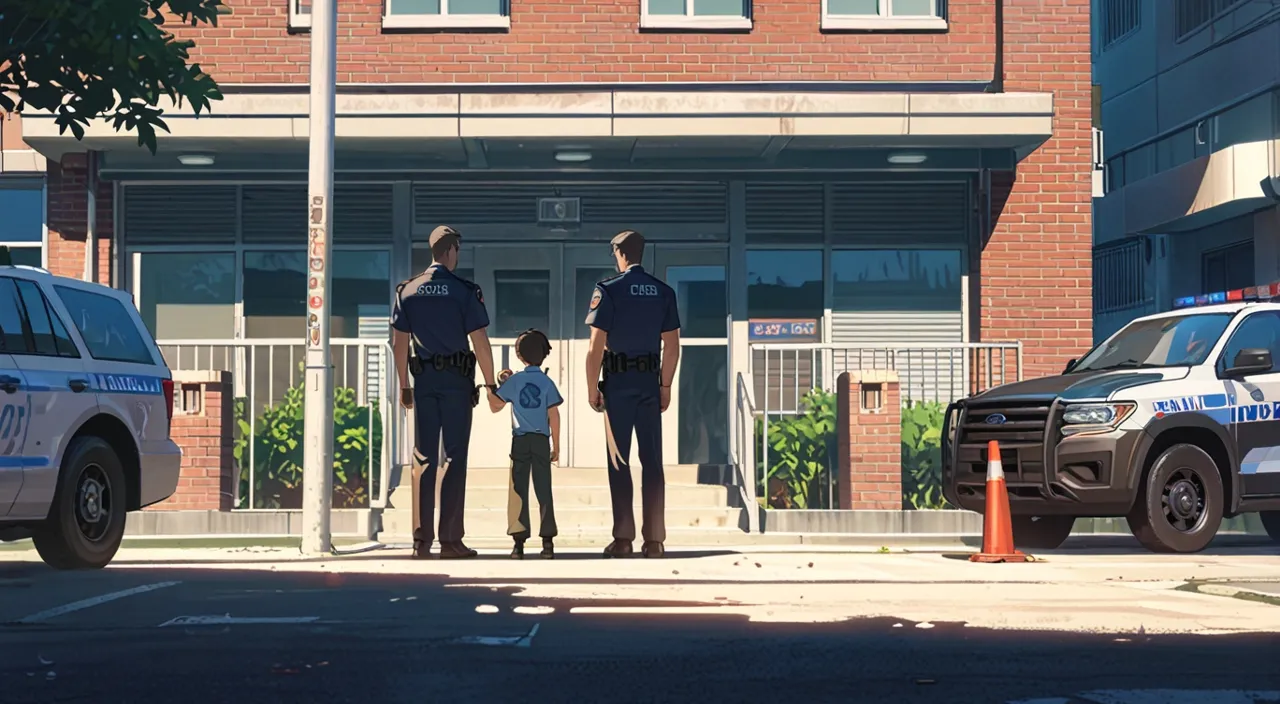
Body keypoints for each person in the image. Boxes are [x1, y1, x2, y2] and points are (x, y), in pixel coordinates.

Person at [392, 225, 499, 560]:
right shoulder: (464, 291)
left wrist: (404, 386)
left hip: (423, 382)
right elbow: (479, 341)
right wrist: (492, 384)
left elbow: (398, 344)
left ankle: (420, 542)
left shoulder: (407, 291)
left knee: (423, 457)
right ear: (452, 251)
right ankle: (451, 541)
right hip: (456, 382)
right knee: (454, 457)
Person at [583, 230, 681, 559]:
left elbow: (596, 346)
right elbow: (672, 346)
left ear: (620, 254)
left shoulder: (608, 290)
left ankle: (623, 539)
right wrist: (665, 385)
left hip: (618, 384)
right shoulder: (663, 292)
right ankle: (654, 541)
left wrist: (591, 387)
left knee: (619, 460)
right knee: (652, 461)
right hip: (648, 384)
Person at [490, 329, 562, 560]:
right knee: (544, 489)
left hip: (520, 440)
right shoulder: (547, 382)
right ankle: (548, 542)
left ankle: (518, 544)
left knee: (519, 489)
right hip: (541, 440)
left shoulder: (515, 381)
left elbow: (495, 406)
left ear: (520, 356)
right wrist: (556, 446)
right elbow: (554, 415)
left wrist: (497, 383)